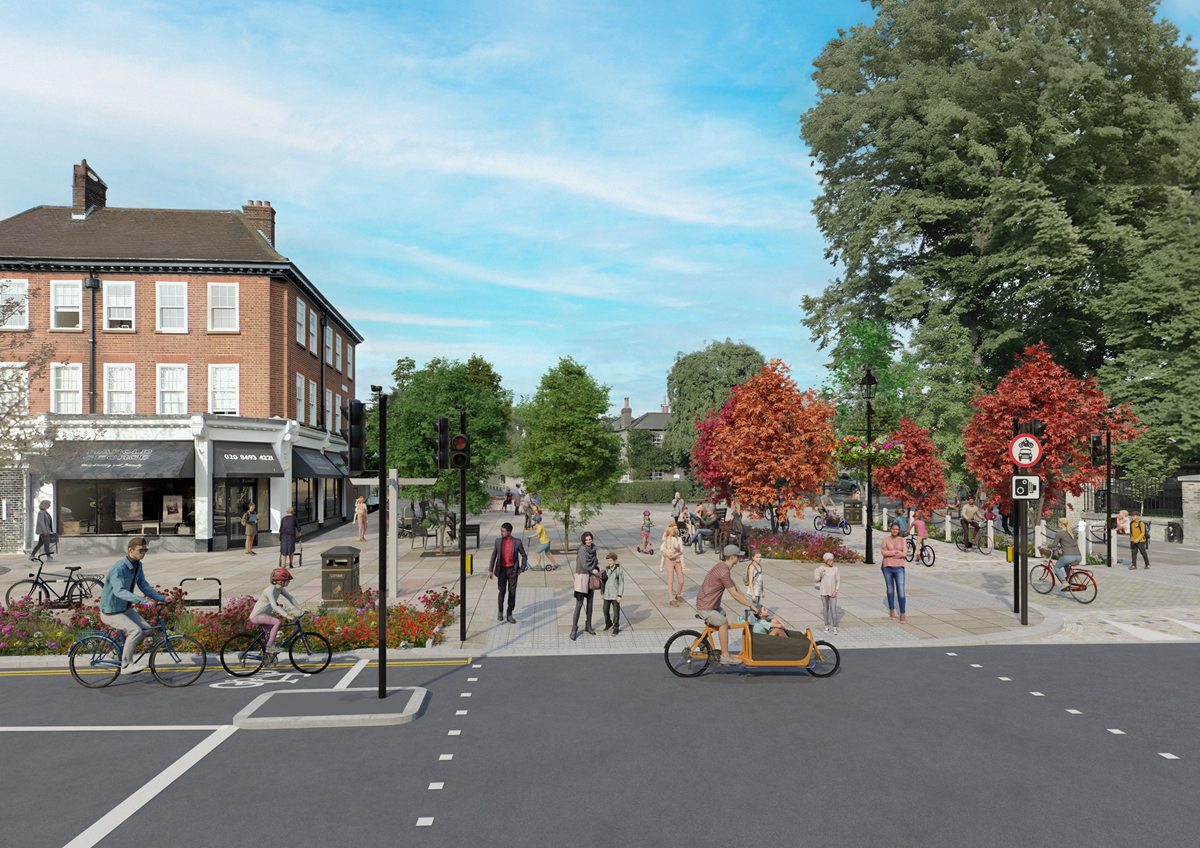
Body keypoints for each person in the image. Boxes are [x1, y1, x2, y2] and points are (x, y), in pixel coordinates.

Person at [100, 537, 168, 675]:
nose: (143, 553)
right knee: (135, 631)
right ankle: (125, 665)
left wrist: (162, 598)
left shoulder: (138, 565)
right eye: (140, 550)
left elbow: (143, 585)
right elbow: (119, 591)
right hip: (111, 611)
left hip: (124, 609)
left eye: (145, 550)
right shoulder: (118, 568)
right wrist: (142, 601)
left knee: (147, 629)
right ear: (130, 550)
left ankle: (115, 652)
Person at [695, 545, 765, 666]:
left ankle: (700, 641)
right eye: (738, 556)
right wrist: (751, 605)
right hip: (706, 606)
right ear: (732, 557)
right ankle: (725, 656)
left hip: (709, 603)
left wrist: (743, 596)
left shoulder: (723, 567)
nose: (739, 558)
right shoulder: (723, 572)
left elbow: (733, 584)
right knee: (723, 622)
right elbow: (734, 594)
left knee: (722, 614)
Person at [249, 567, 304, 661]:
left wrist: (301, 608)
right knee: (277, 622)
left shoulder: (280, 589)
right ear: (281, 581)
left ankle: (264, 654)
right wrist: (287, 616)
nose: (289, 582)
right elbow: (274, 606)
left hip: (264, 616)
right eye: (287, 580)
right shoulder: (269, 590)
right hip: (256, 616)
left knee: (268, 635)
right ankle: (271, 646)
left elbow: (290, 597)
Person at [488, 522, 528, 624]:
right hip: (501, 570)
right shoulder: (498, 541)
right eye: (501, 531)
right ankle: (500, 611)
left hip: (513, 571)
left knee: (512, 593)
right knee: (501, 592)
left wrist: (522, 568)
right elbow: (494, 556)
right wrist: (490, 570)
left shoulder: (517, 542)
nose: (501, 533)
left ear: (509, 532)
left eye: (503, 531)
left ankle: (509, 613)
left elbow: (524, 555)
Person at [571, 531, 601, 640]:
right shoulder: (582, 550)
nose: (589, 541)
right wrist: (594, 570)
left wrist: (599, 566)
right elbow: (584, 565)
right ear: (583, 540)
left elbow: (595, 561)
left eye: (590, 539)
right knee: (579, 605)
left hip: (590, 580)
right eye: (587, 539)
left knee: (590, 604)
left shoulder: (593, 548)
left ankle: (588, 626)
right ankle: (574, 629)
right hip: (582, 579)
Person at [881, 523, 907, 623]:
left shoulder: (903, 540)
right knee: (890, 589)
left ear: (899, 530)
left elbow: (904, 554)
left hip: (899, 567)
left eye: (896, 529)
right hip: (887, 567)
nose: (895, 531)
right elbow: (883, 553)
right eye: (893, 529)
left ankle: (902, 613)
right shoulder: (885, 540)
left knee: (901, 590)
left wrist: (890, 553)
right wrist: (895, 552)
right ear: (890, 529)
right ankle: (892, 609)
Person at [814, 552, 841, 634]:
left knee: (833, 610)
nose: (831, 562)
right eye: (829, 560)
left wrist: (836, 590)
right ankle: (826, 626)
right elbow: (816, 578)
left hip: (832, 592)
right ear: (826, 561)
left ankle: (835, 627)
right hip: (824, 591)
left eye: (832, 560)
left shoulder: (835, 569)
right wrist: (821, 573)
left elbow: (838, 580)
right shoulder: (821, 568)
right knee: (825, 609)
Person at [660, 523, 686, 606]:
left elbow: (681, 551)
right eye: (673, 528)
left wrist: (674, 555)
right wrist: (668, 555)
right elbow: (662, 548)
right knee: (670, 580)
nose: (675, 530)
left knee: (681, 580)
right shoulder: (667, 539)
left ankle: (678, 595)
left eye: (676, 528)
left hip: (677, 560)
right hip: (669, 561)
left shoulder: (678, 539)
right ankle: (671, 599)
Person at [1053, 517, 1082, 586]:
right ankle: (1069, 577)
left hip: (1069, 556)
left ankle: (1064, 582)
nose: (1058, 524)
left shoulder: (1059, 534)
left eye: (1059, 523)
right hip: (1078, 557)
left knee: (1056, 567)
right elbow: (1071, 541)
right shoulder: (1074, 533)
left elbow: (1053, 545)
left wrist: (1044, 547)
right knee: (1066, 563)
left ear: (1062, 524)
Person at [601, 551, 624, 636]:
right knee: (605, 610)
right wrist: (602, 592)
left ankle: (616, 626)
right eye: (608, 561)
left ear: (615, 560)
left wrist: (620, 595)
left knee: (616, 612)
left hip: (615, 595)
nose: (609, 563)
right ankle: (608, 623)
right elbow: (603, 582)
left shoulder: (619, 571)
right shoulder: (606, 570)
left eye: (610, 561)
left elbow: (621, 583)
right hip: (607, 594)